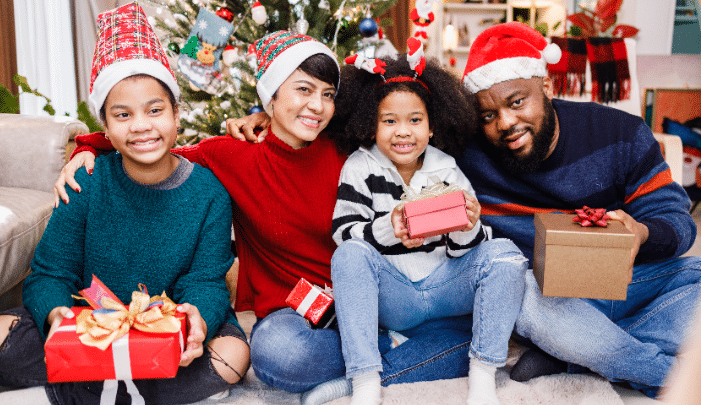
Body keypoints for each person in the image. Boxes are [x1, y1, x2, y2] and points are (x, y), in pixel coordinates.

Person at [55, 30, 478, 405]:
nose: (317, 106)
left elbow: (410, 137)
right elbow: (153, 145)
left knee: (467, 327)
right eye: (303, 90)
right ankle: (399, 354)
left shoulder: (347, 149)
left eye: (328, 94)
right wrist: (87, 148)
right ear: (271, 97)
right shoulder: (231, 156)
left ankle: (363, 370)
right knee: (276, 357)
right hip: (297, 315)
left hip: (376, 298)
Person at [0, 4, 249, 405]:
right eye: (123, 115)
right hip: (88, 327)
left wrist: (195, 318)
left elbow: (205, 281)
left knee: (233, 357)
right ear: (106, 127)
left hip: (165, 330)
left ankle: (82, 389)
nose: (141, 125)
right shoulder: (87, 180)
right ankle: (135, 387)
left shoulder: (209, 193)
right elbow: (50, 272)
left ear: (176, 115)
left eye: (155, 110)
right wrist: (56, 315)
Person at [457, 21, 701, 398]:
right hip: (545, 297)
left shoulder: (621, 133)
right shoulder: (469, 153)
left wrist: (641, 232)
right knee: (516, 289)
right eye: (488, 115)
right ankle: (660, 374)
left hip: (627, 280)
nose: (505, 122)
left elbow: (679, 224)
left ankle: (577, 354)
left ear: (547, 86)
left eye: (517, 101)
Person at [329, 52, 527, 405]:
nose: (403, 131)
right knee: (348, 255)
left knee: (505, 253)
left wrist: (467, 225)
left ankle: (483, 377)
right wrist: (390, 227)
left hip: (445, 286)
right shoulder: (360, 166)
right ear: (372, 125)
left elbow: (467, 249)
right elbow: (344, 233)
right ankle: (364, 382)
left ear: (432, 126)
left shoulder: (446, 168)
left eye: (415, 120)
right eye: (389, 121)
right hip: (396, 295)